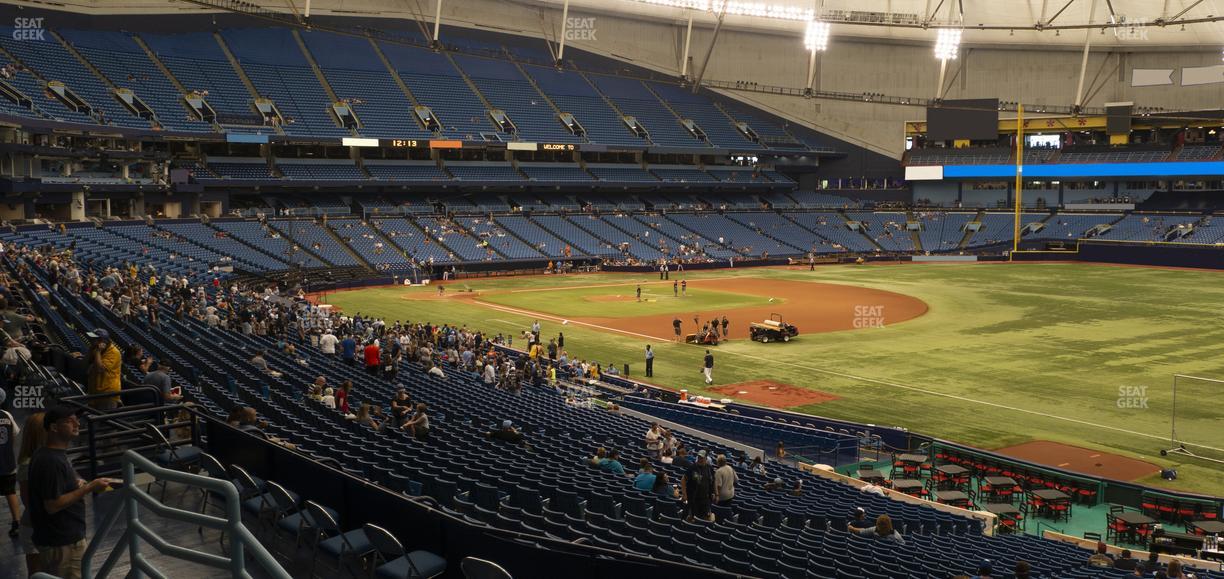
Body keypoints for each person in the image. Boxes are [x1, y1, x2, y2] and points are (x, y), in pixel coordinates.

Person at [30, 406, 115, 579]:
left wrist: (76, 484)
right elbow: (52, 505)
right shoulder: (51, 461)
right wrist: (88, 488)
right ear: (54, 428)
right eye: (69, 421)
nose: (77, 423)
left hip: (60, 539)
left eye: (76, 419)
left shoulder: (49, 454)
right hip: (63, 544)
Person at [17, 412, 47, 573]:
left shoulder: (42, 459)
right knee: (37, 573)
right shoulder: (28, 464)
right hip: (35, 527)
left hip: (41, 526)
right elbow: (29, 502)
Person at [86, 330, 122, 411]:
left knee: (105, 419)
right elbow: (87, 362)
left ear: (103, 342)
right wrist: (92, 349)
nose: (91, 341)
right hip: (96, 390)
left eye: (94, 339)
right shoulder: (97, 349)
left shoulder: (114, 353)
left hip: (108, 392)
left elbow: (100, 369)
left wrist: (98, 351)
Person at [682, 450, 715, 522]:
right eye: (699, 457)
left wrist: (713, 493)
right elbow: (683, 480)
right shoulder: (692, 468)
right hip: (693, 498)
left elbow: (712, 481)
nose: (700, 460)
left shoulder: (709, 468)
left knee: (705, 517)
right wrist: (684, 494)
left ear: (706, 458)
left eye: (702, 458)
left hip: (705, 499)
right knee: (692, 517)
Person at [1, 401, 17, 538]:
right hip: (8, 462)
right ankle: (16, 522)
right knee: (10, 492)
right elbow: (13, 435)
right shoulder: (7, 415)